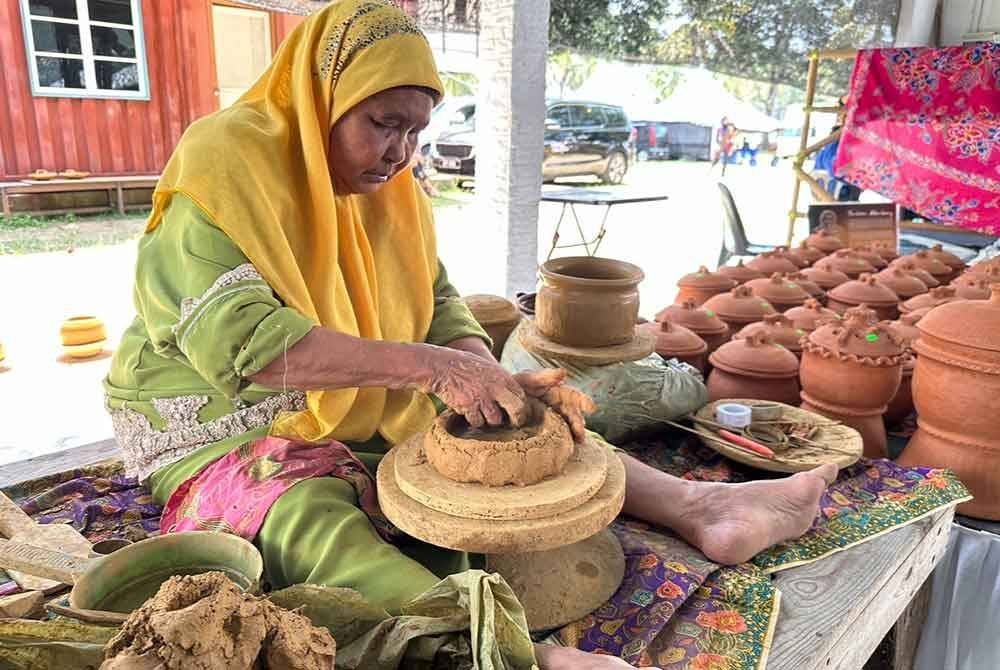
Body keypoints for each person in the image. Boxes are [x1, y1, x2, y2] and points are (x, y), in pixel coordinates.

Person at [104, 2, 834, 667]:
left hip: (349, 397)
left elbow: (436, 301)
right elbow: (254, 348)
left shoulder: (388, 192)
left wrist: (484, 372)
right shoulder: (225, 164)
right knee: (303, 507)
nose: (399, 151)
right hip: (215, 423)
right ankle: (500, 652)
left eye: (417, 132)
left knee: (523, 429)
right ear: (321, 100)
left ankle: (698, 507)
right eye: (383, 123)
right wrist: (429, 370)